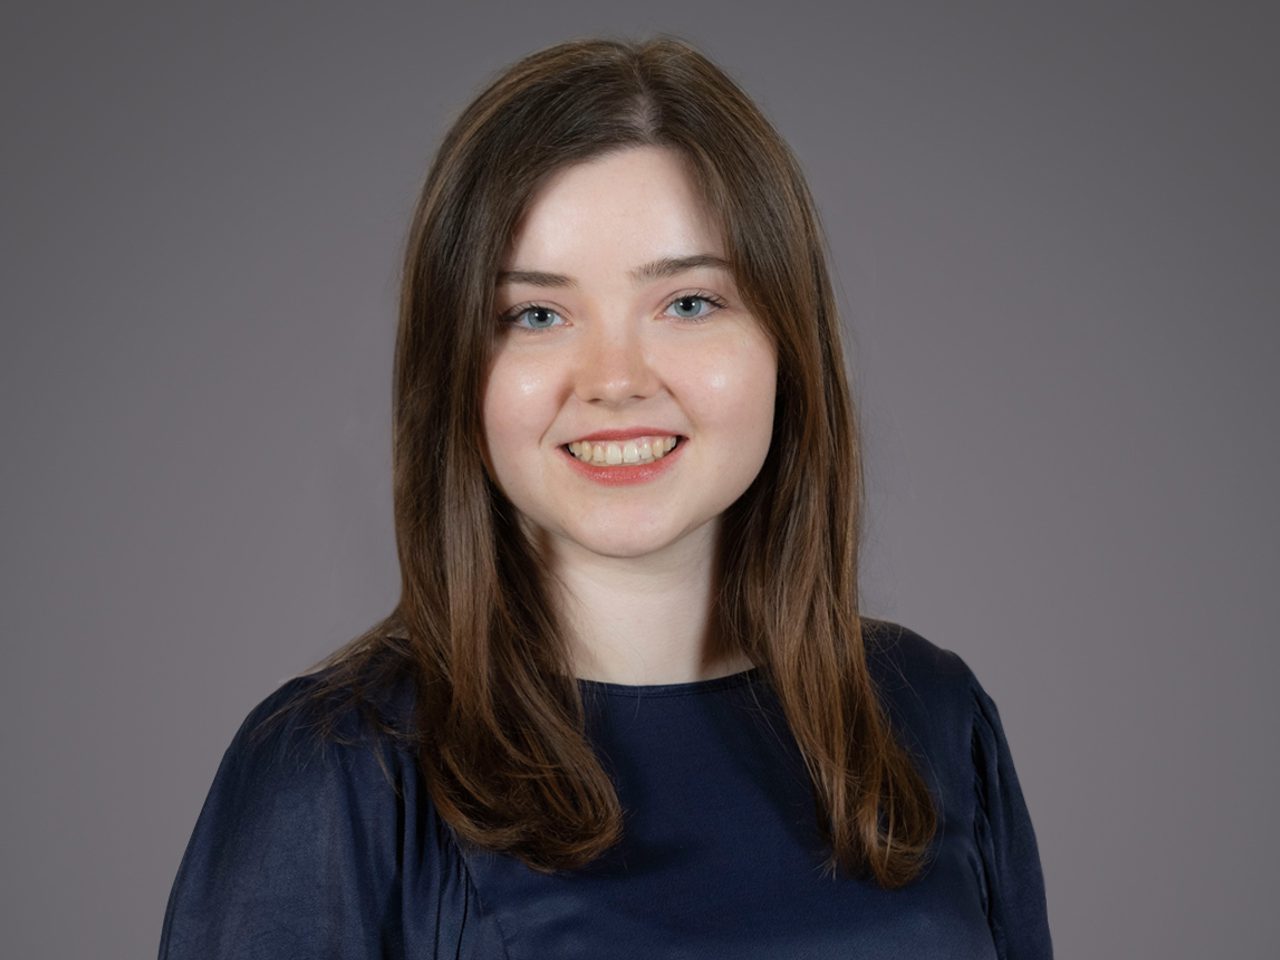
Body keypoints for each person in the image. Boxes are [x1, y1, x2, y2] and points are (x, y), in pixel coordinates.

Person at [158, 35, 1053, 959]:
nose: (615, 380)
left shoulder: (933, 721)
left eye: (690, 303)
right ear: (456, 369)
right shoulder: (336, 772)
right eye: (537, 315)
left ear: (789, 342)